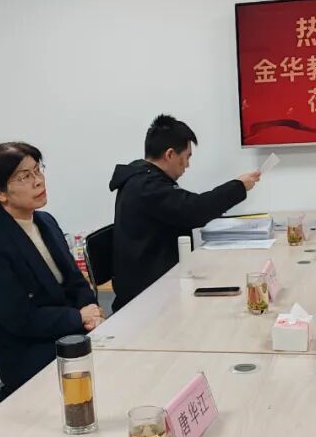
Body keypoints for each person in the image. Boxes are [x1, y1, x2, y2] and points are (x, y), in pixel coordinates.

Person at [0, 142, 102, 395]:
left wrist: (91, 313)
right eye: (24, 176)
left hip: (68, 331)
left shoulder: (45, 222)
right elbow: (20, 318)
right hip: (26, 351)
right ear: (0, 193)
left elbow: (75, 281)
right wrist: (78, 317)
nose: (38, 181)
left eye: (38, 170)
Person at [109, 114, 261, 310]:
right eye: (187, 157)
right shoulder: (147, 186)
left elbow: (188, 207)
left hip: (160, 283)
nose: (187, 165)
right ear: (170, 154)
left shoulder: (144, 179)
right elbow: (194, 210)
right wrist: (238, 186)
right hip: (147, 297)